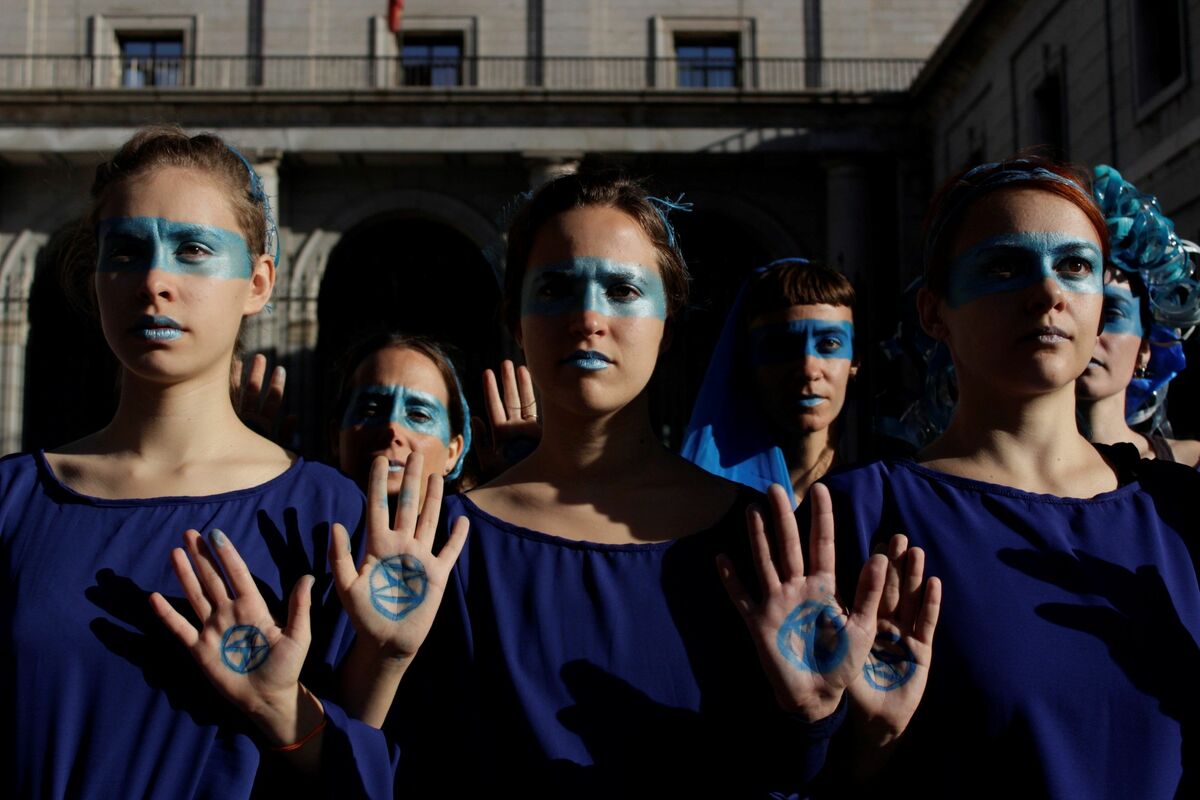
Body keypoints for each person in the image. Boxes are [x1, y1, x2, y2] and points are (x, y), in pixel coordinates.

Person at [334, 164, 939, 797]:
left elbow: (794, 779)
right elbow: (383, 770)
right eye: (557, 288)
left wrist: (822, 722)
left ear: (667, 327)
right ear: (517, 323)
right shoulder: (441, 545)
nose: (588, 317)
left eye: (622, 290)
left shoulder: (762, 536)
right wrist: (379, 661)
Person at [0, 125, 368, 797]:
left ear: (257, 283)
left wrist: (285, 712)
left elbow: (380, 774)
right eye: (128, 251)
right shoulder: (12, 500)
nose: (155, 281)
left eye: (194, 250)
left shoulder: (329, 516)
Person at [819, 156, 1200, 796]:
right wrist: (864, 747)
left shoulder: (1182, 515)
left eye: (1076, 266)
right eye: (1004, 265)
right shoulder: (857, 517)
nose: (1049, 291)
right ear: (934, 312)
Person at [682, 258, 859, 505]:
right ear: (748, 360)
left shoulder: (884, 493)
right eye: (782, 346)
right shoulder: (703, 501)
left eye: (829, 343)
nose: (808, 369)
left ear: (855, 361)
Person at [1076, 165, 1200, 466]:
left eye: (1114, 312)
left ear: (1145, 348)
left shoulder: (1191, 465)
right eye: (1077, 308)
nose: (1092, 330)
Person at [329, 331, 472, 503]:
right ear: (335, 438)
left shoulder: (478, 530)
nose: (392, 428)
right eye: (370, 410)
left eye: (419, 415)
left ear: (452, 452)